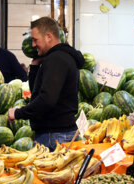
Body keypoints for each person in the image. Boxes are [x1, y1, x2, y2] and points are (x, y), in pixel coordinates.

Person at [8, 17, 85, 151]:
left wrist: (18, 113)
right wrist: (35, 66)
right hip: (58, 134)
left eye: (35, 40)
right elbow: (37, 93)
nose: (32, 45)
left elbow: (47, 100)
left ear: (48, 37)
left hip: (55, 136)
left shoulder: (56, 59)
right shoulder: (58, 58)